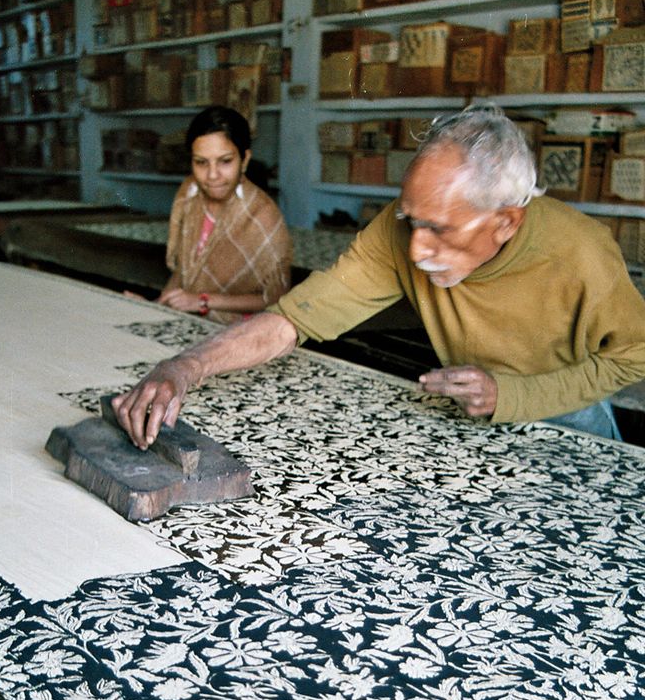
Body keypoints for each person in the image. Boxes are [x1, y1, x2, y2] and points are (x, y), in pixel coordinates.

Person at [113, 102, 645, 449]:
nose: (415, 247)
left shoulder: (581, 252)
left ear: (506, 221)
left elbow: (634, 355)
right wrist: (183, 367)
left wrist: (514, 397)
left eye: (438, 229)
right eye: (411, 221)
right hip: (473, 411)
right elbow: (293, 318)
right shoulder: (399, 232)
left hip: (570, 423)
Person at [155, 105, 292, 324]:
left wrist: (203, 301)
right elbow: (185, 272)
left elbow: (274, 298)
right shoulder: (189, 196)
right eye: (201, 162)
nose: (212, 175)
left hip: (241, 331)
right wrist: (155, 308)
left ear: (244, 159)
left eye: (225, 161)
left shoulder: (263, 216)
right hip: (191, 318)